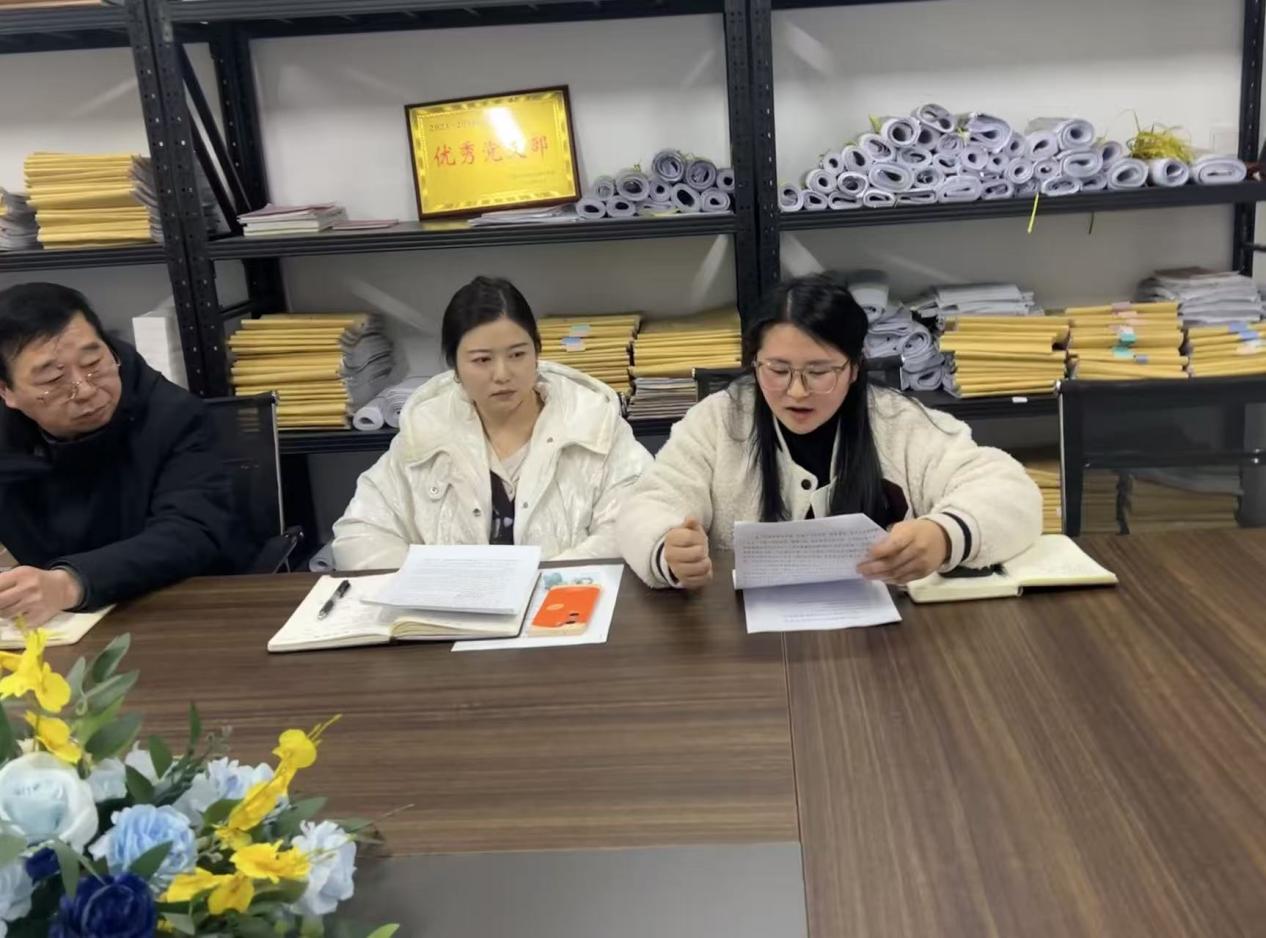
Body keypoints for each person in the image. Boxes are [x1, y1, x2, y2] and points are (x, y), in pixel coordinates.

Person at [618, 273, 1042, 589]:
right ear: (755, 363)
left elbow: (1009, 489)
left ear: (854, 368)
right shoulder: (718, 421)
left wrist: (945, 535)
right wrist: (667, 549)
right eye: (778, 370)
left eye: (819, 371)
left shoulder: (897, 422)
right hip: (746, 639)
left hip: (882, 643)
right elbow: (649, 502)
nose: (796, 391)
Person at [332, 276, 651, 568]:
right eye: (482, 360)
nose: (502, 374)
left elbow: (637, 521)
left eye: (517, 355)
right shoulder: (426, 430)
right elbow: (360, 532)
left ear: (537, 352)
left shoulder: (593, 422)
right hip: (450, 608)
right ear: (455, 366)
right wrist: (428, 584)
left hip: (568, 603)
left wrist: (548, 582)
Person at [0, 283, 241, 625]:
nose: (86, 389)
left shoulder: (174, 415)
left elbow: (190, 532)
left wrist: (69, 583)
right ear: (6, 391)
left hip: (181, 608)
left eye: (93, 362)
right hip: (57, 626)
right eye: (53, 379)